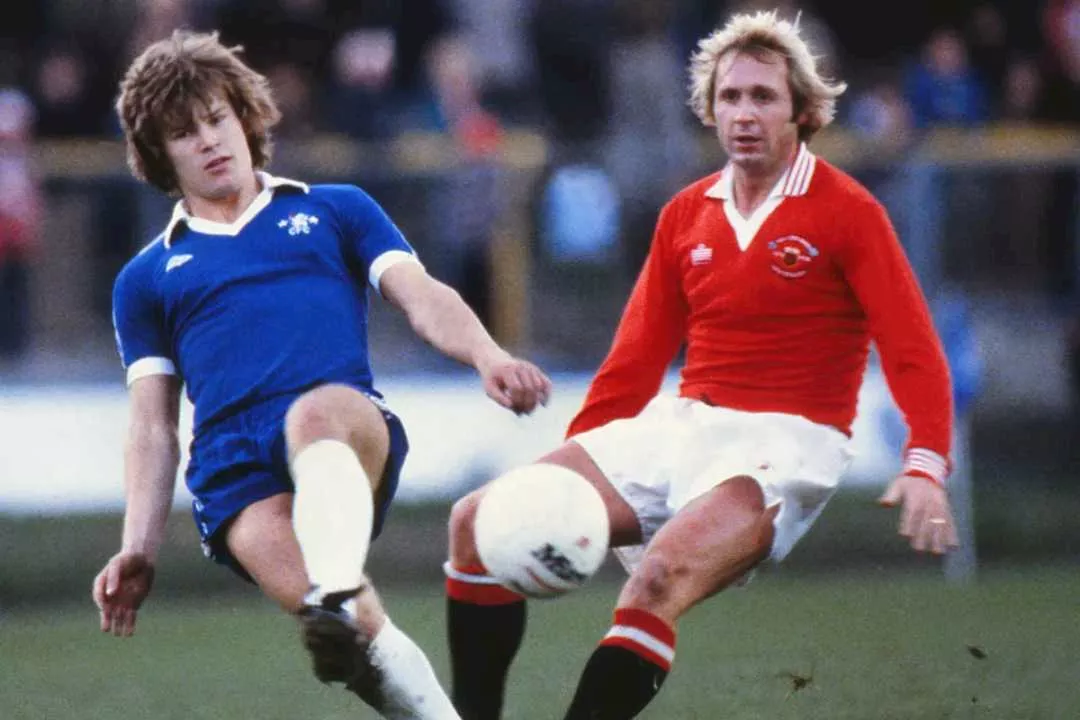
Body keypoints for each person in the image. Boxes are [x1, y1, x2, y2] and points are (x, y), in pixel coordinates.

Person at [442, 10, 959, 720]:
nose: (743, 113)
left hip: (785, 445)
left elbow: (912, 348)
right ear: (709, 109)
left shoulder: (849, 212)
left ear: (803, 111)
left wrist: (926, 461)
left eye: (763, 97)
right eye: (729, 96)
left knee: (655, 581)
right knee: (476, 520)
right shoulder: (687, 213)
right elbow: (634, 361)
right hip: (683, 425)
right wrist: (572, 478)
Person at [91, 31, 551, 720]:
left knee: (313, 416)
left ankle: (333, 588)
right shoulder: (145, 278)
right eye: (184, 133)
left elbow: (421, 295)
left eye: (216, 118)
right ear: (159, 153)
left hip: (343, 423)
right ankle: (342, 604)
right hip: (235, 475)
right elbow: (153, 427)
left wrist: (489, 356)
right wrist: (137, 546)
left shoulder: (336, 208)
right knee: (358, 636)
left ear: (245, 116)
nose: (209, 140)